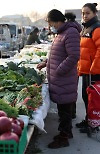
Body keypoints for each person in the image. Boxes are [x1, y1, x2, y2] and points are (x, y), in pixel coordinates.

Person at [37, 10, 81, 149]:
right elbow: (58, 54)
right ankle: (66, 133)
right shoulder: (61, 33)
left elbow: (73, 56)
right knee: (63, 110)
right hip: (61, 79)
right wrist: (47, 62)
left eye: (50, 23)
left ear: (56, 21)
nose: (49, 26)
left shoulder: (70, 33)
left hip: (64, 79)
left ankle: (64, 138)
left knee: (65, 110)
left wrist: (59, 70)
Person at [76, 3, 100, 133]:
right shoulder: (85, 28)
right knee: (86, 97)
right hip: (86, 70)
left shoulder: (96, 28)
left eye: (87, 13)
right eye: (83, 13)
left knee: (93, 99)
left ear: (94, 13)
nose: (84, 16)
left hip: (93, 72)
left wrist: (94, 68)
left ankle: (93, 124)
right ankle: (88, 119)